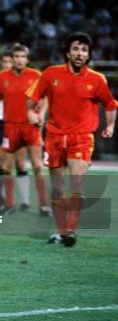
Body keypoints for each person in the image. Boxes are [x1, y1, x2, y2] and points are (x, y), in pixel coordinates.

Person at [26, 32, 116, 247]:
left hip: (81, 138)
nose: (79, 53)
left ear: (88, 55)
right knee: (57, 189)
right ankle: (61, 232)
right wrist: (31, 113)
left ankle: (71, 231)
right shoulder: (51, 74)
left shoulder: (96, 79)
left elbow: (111, 104)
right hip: (55, 137)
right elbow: (32, 98)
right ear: (67, 53)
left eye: (84, 50)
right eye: (75, 48)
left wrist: (111, 125)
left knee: (77, 183)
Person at [0, 44, 49, 216]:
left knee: (37, 166)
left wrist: (41, 115)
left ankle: (43, 205)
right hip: (10, 127)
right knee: (6, 166)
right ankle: (9, 204)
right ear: (12, 59)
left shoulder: (36, 75)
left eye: (23, 56)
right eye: (17, 56)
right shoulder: (2, 77)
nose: (20, 60)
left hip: (31, 127)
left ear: (27, 59)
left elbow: (44, 98)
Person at [0, 51, 32, 211]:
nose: (7, 65)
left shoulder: (26, 78)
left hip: (20, 123)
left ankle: (25, 200)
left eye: (9, 61)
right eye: (4, 62)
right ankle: (2, 197)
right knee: (4, 164)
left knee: (20, 162)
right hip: (1, 122)